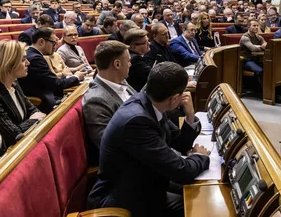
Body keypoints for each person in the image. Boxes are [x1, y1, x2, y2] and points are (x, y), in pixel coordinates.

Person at [87, 62, 210, 217]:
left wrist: (190, 117)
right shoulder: (137, 121)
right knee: (201, 209)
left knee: (196, 196)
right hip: (123, 201)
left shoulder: (151, 101)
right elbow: (182, 171)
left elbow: (178, 142)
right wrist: (200, 156)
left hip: (146, 184)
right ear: (174, 99)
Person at [0, 40, 46, 146]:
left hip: (26, 143)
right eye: (23, 60)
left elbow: (32, 109)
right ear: (8, 64)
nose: (28, 63)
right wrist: (33, 120)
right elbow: (12, 135)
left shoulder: (13, 83)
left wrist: (33, 118)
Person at [82, 41, 136, 162]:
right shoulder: (96, 100)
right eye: (128, 61)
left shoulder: (122, 82)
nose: (130, 64)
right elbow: (110, 147)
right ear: (117, 64)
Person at [18, 28, 85, 113]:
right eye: (53, 43)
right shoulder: (35, 59)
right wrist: (76, 77)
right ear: (41, 42)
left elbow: (50, 80)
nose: (55, 46)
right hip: (43, 103)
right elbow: (55, 84)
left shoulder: (32, 54)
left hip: (48, 96)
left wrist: (69, 77)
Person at [239, 19, 267, 88]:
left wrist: (259, 46)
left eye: (257, 26)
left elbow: (266, 44)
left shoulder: (258, 36)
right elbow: (253, 48)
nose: (256, 27)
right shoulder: (245, 37)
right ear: (248, 27)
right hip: (246, 61)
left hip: (256, 59)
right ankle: (264, 91)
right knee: (260, 71)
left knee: (270, 68)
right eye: (254, 25)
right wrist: (261, 47)